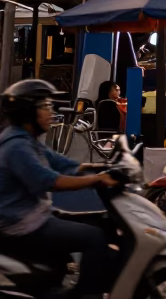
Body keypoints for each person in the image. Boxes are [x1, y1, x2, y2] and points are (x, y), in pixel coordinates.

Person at [0, 79, 119, 297]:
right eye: (45, 106)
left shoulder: (27, 140)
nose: (51, 111)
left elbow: (63, 163)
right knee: (94, 238)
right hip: (23, 224)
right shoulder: (16, 146)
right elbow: (52, 181)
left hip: (36, 215)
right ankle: (86, 294)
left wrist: (105, 167)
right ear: (28, 112)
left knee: (101, 221)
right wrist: (96, 179)